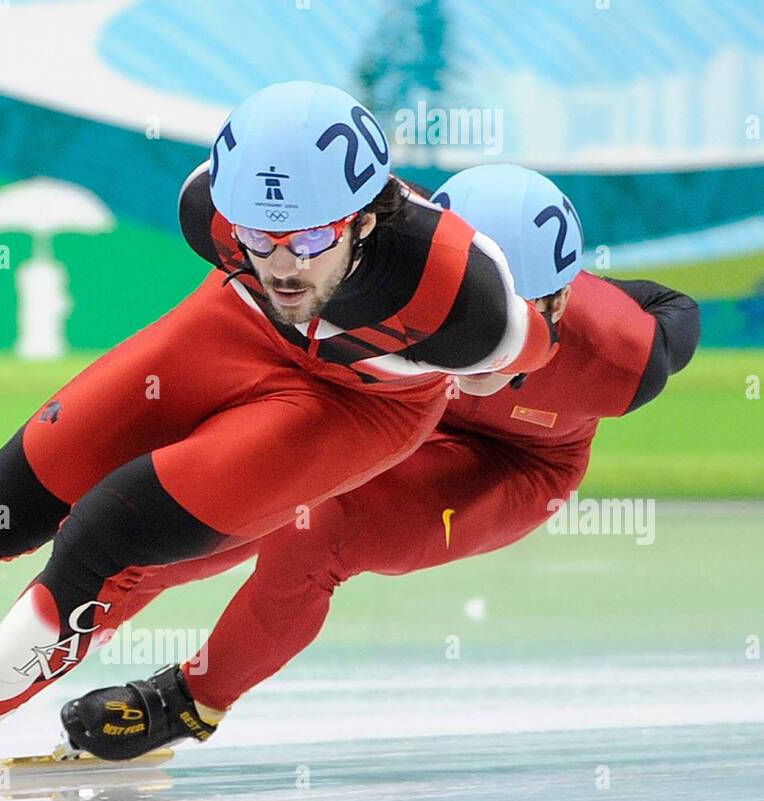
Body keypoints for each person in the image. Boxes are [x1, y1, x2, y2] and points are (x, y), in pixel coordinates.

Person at [0, 85, 556, 782]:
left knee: (106, 533)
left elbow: (516, 366)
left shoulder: (468, 301)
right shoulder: (209, 213)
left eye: (310, 238)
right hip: (231, 336)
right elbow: (265, 269)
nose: (281, 263)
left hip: (354, 410)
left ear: (368, 218)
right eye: (260, 237)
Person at [59, 164, 701, 760]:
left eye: (520, 320)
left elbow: (677, 309)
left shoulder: (625, 357)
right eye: (473, 313)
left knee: (317, 534)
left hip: (516, 465)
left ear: (563, 302)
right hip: (390, 419)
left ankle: (190, 702)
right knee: (222, 514)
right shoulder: (387, 266)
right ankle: (48, 644)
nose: (492, 346)